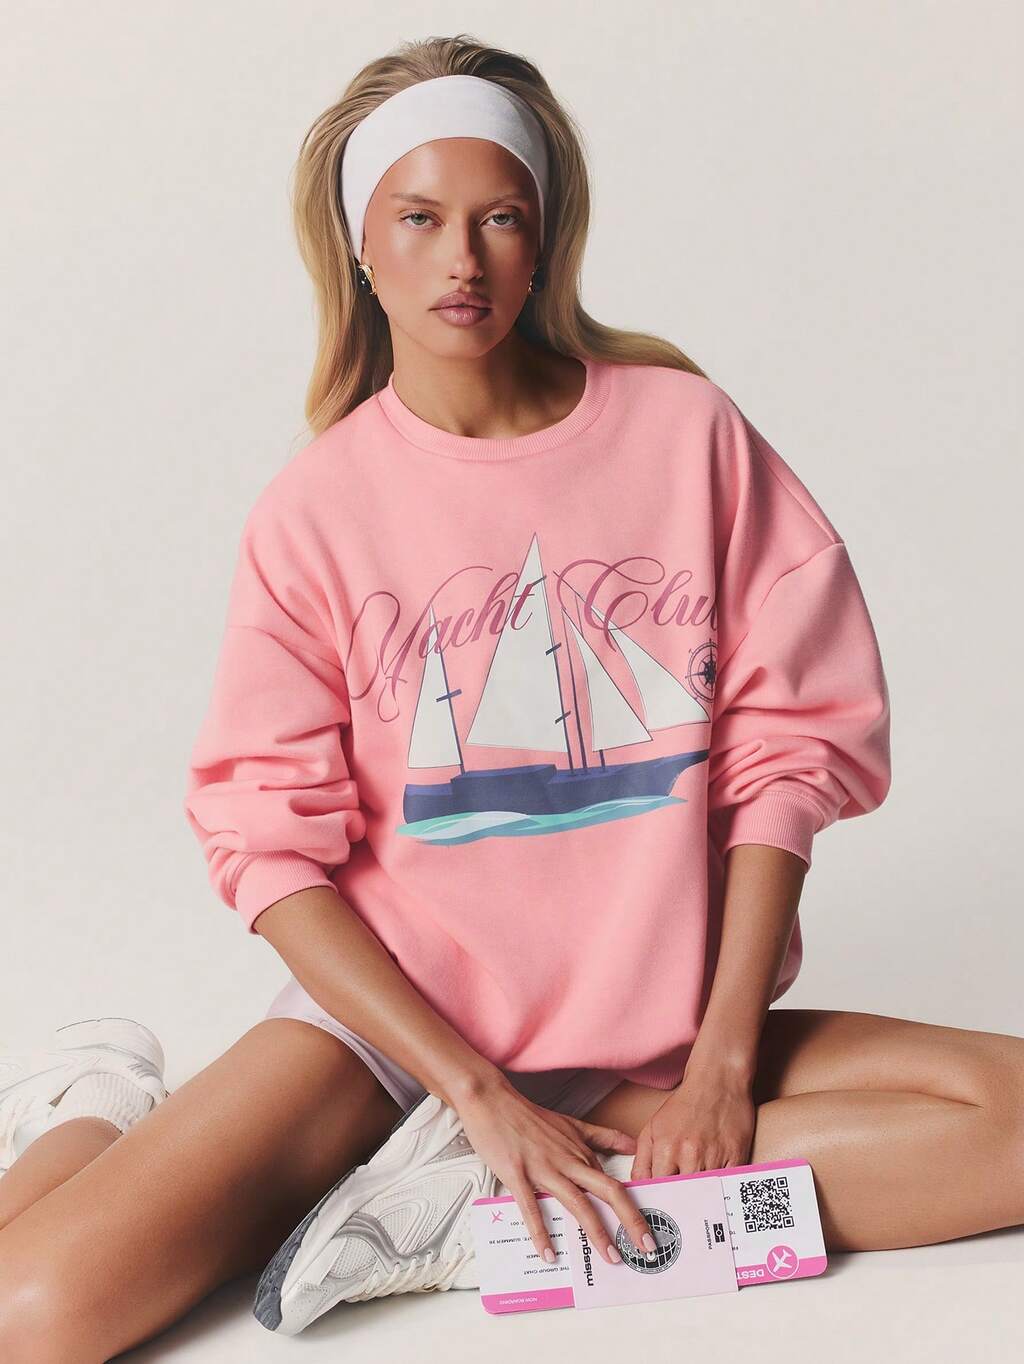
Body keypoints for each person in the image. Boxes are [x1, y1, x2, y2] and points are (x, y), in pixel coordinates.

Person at [2, 32, 1022, 1360]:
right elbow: (268, 845)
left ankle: (467, 1216)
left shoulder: (687, 434)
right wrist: (476, 1093)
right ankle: (98, 1100)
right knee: (32, 1313)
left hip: (652, 1033)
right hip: (395, 1043)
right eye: (418, 218)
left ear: (545, 241)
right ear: (359, 246)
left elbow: (787, 751)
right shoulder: (318, 512)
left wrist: (722, 1062)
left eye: (500, 217)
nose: (462, 260)